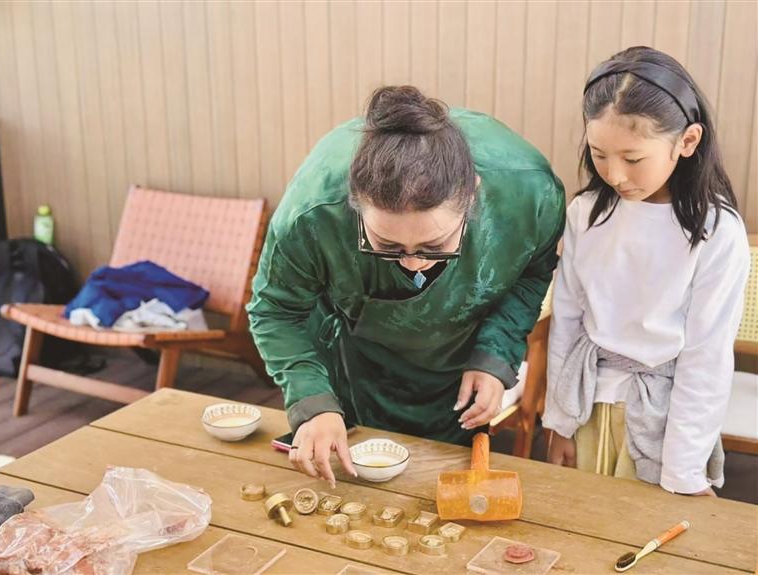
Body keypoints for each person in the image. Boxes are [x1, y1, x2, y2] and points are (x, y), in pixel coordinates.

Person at [247, 86, 564, 486]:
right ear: (354, 202)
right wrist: (313, 403)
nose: (413, 263)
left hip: (458, 361)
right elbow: (275, 311)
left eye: (434, 245)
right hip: (350, 357)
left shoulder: (530, 193)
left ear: (473, 193)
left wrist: (495, 354)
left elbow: (532, 274)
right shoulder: (310, 213)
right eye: (388, 246)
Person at [543, 46, 750, 497]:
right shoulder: (586, 213)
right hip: (588, 406)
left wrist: (684, 471)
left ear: (687, 142)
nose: (615, 174)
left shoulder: (716, 231)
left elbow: (706, 357)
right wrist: (559, 424)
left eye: (633, 159)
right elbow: (568, 322)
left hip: (663, 420)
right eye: (599, 154)